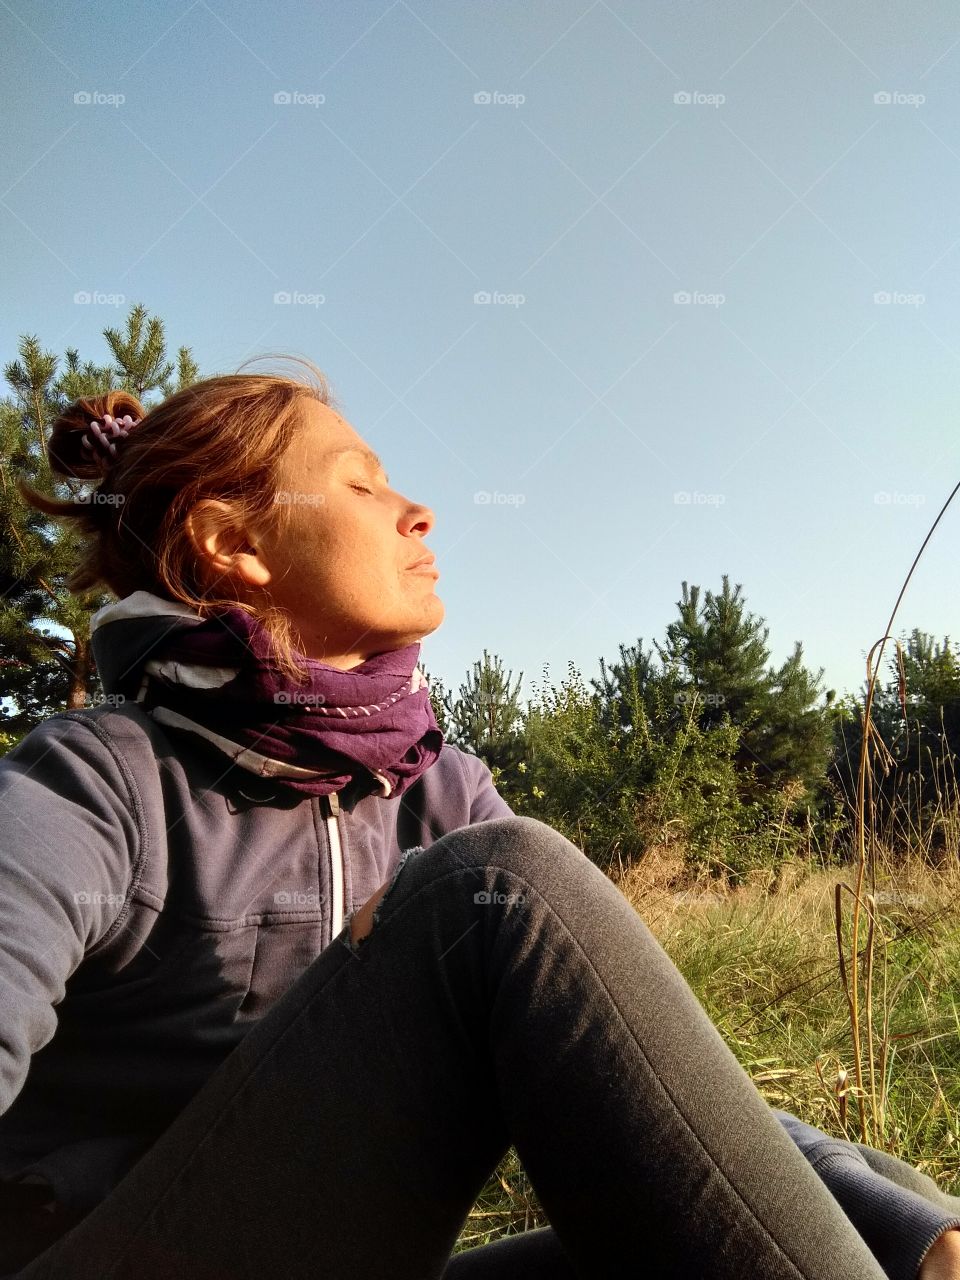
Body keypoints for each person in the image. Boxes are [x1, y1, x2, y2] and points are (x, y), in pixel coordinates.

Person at [0, 359, 957, 1279]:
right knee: (496, 885)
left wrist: (918, 1234)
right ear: (236, 545)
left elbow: (668, 1100)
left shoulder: (439, 789)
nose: (419, 511)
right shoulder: (103, 774)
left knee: (879, 1207)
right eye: (362, 487)